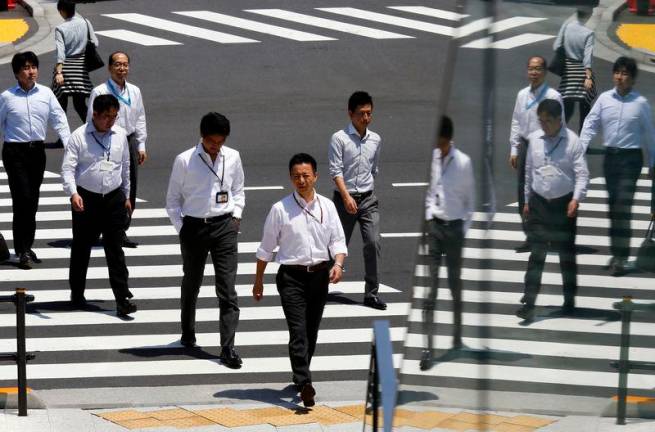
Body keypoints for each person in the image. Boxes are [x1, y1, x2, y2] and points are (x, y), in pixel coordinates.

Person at [252, 153, 347, 408]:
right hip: (291, 277)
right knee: (298, 331)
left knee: (311, 331)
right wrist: (258, 280)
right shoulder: (280, 209)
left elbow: (338, 241)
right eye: (296, 176)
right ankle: (305, 383)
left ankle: (299, 373)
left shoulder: (327, 206)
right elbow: (266, 249)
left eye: (306, 175)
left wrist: (337, 264)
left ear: (315, 176)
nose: (301, 180)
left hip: (319, 275)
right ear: (290, 178)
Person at [165, 112, 244, 369]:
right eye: (212, 142)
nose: (216, 147)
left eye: (220, 142)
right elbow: (173, 201)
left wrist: (236, 217)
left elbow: (238, 190)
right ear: (202, 136)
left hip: (224, 227)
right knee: (192, 283)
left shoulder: (232, 157)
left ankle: (227, 347)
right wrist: (182, 229)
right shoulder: (185, 160)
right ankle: (188, 331)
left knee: (227, 288)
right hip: (194, 228)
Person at [61, 94, 136, 317]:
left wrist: (127, 195)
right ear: (95, 114)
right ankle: (77, 292)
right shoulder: (79, 137)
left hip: (113, 198)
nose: (110, 121)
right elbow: (68, 169)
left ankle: (122, 297)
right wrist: (73, 193)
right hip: (87, 198)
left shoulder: (120, 135)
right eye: (106, 117)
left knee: (115, 248)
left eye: (114, 117)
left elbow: (125, 167)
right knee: (82, 246)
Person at [579, 56, 655, 276]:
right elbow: (591, 123)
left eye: (626, 74)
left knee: (623, 207)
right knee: (613, 209)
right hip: (610, 158)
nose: (620, 78)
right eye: (618, 73)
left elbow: (650, 135)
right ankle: (616, 253)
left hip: (631, 160)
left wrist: (653, 163)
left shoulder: (640, 103)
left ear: (632, 79)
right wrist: (582, 147)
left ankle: (621, 257)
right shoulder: (604, 99)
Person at [516, 99, 589, 322]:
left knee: (566, 255)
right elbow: (528, 172)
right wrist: (527, 200)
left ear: (559, 120)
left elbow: (582, 174)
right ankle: (529, 302)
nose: (544, 125)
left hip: (563, 206)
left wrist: (576, 199)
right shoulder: (535, 141)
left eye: (548, 121)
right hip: (539, 204)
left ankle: (569, 299)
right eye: (541, 120)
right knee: (537, 253)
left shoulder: (572, 142)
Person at [0, 52, 71, 269]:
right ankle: (21, 250)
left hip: (36, 152)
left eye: (33, 67)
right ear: (16, 73)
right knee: (22, 199)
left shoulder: (46, 93)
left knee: (32, 203)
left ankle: (26, 246)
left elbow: (59, 119)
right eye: (26, 67)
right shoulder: (7, 97)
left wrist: (70, 146)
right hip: (15, 152)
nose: (31, 71)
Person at [420, 116, 475, 371]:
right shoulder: (432, 159)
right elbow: (430, 191)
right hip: (436, 229)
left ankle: (456, 334)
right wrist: (430, 217)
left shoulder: (463, 162)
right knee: (430, 290)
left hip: (454, 230)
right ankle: (427, 347)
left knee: (454, 284)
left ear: (449, 140)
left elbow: (470, 203)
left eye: (441, 142)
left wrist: (462, 230)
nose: (438, 147)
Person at [328, 91, 384, 310]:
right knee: (332, 246)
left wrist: (363, 192)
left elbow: (374, 169)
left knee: (373, 242)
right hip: (343, 200)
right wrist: (346, 196)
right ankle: (317, 288)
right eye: (361, 113)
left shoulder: (376, 139)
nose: (366, 118)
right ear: (350, 113)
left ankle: (371, 294)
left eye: (369, 113)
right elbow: (336, 171)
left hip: (368, 199)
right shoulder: (339, 138)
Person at [87, 51, 147, 248]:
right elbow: (91, 119)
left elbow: (140, 118)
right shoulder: (100, 91)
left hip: (128, 140)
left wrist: (141, 144)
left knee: (130, 184)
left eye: (125, 65)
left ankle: (120, 230)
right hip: (106, 140)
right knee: (105, 183)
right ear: (110, 67)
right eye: (118, 65)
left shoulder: (135, 91)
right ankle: (100, 228)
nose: (122, 69)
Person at [509, 56, 563, 252]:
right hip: (525, 146)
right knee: (523, 191)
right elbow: (516, 122)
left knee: (546, 191)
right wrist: (514, 148)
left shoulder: (553, 96)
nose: (534, 72)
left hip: (545, 146)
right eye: (531, 68)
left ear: (545, 72)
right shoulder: (522, 95)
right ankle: (530, 236)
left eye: (538, 69)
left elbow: (560, 125)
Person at [52, 0, 98, 123]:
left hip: (66, 69)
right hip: (80, 69)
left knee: (61, 106)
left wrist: (59, 73)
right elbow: (95, 42)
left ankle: (63, 138)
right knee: (80, 105)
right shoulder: (86, 22)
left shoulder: (60, 29)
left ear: (61, 11)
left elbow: (60, 53)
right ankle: (91, 130)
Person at [552, 7, 596, 133]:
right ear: (590, 14)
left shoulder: (567, 26)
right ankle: (583, 140)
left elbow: (556, 46)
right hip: (582, 72)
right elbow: (588, 58)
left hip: (568, 71)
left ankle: (558, 133)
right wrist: (588, 77)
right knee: (585, 107)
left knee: (567, 106)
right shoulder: (589, 33)